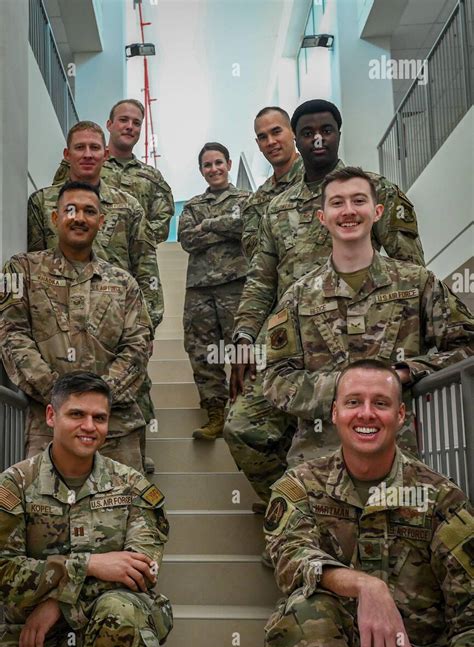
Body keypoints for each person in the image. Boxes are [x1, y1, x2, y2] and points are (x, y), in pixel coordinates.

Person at [225, 99, 426, 505]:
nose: (318, 139)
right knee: (243, 427)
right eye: (308, 133)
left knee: (354, 434)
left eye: (327, 130)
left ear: (338, 133)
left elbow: (410, 267)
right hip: (292, 344)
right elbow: (261, 280)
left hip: (366, 339)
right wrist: (244, 334)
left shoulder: (372, 189)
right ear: (298, 142)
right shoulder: (275, 207)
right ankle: (290, 505)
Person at [263, 359, 474, 647]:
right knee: (301, 617)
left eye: (380, 403)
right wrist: (365, 585)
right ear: (334, 413)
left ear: (401, 415)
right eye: (353, 402)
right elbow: (290, 556)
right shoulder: (300, 485)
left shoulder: (440, 498)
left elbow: (469, 610)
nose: (366, 414)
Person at [262, 166, 474, 465]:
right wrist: (344, 388)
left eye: (358, 201)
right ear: (322, 218)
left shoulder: (416, 283)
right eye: (337, 203)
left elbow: (467, 348)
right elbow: (275, 380)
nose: (348, 211)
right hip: (319, 467)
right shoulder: (298, 297)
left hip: (402, 463)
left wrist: (406, 372)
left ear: (377, 212)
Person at [0, 371, 172, 647]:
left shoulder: (131, 486)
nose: (89, 426)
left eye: (99, 418)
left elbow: (140, 574)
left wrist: (60, 602)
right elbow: (5, 572)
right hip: (33, 636)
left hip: (108, 629)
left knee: (123, 610)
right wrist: (92, 565)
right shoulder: (15, 485)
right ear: (51, 416)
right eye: (76, 414)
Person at [28, 120, 164, 473]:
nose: (87, 154)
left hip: (117, 326)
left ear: (105, 153)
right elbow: (34, 269)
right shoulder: (41, 202)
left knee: (128, 445)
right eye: (80, 147)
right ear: (67, 154)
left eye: (94, 148)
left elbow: (147, 270)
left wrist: (147, 328)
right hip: (57, 328)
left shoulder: (129, 206)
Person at [1, 181, 152, 472]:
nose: (79, 217)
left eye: (89, 211)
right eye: (70, 210)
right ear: (55, 218)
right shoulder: (21, 270)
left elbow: (138, 346)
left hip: (116, 428)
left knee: (123, 513)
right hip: (50, 425)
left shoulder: (124, 283)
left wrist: (98, 400)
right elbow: (11, 335)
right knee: (45, 514)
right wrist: (61, 397)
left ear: (101, 222)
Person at [178, 142, 250, 439]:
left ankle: (245, 412)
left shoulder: (246, 198)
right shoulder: (192, 205)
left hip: (238, 284)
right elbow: (186, 239)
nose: (214, 169)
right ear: (201, 171)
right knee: (203, 353)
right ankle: (215, 414)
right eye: (208, 165)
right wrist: (225, 228)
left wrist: (209, 224)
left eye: (218, 162)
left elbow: (246, 226)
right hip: (200, 290)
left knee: (244, 350)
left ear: (229, 164)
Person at [52, 99, 175, 247]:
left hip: (127, 262)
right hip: (78, 252)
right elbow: (56, 202)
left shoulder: (152, 177)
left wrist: (130, 237)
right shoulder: (84, 162)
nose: (130, 127)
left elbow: (162, 222)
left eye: (136, 123)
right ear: (109, 125)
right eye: (123, 120)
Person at [240, 106, 303, 262]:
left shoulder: (321, 180)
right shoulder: (256, 201)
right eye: (262, 137)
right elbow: (256, 255)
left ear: (293, 132)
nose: (270, 142)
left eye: (276, 132)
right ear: (258, 144)